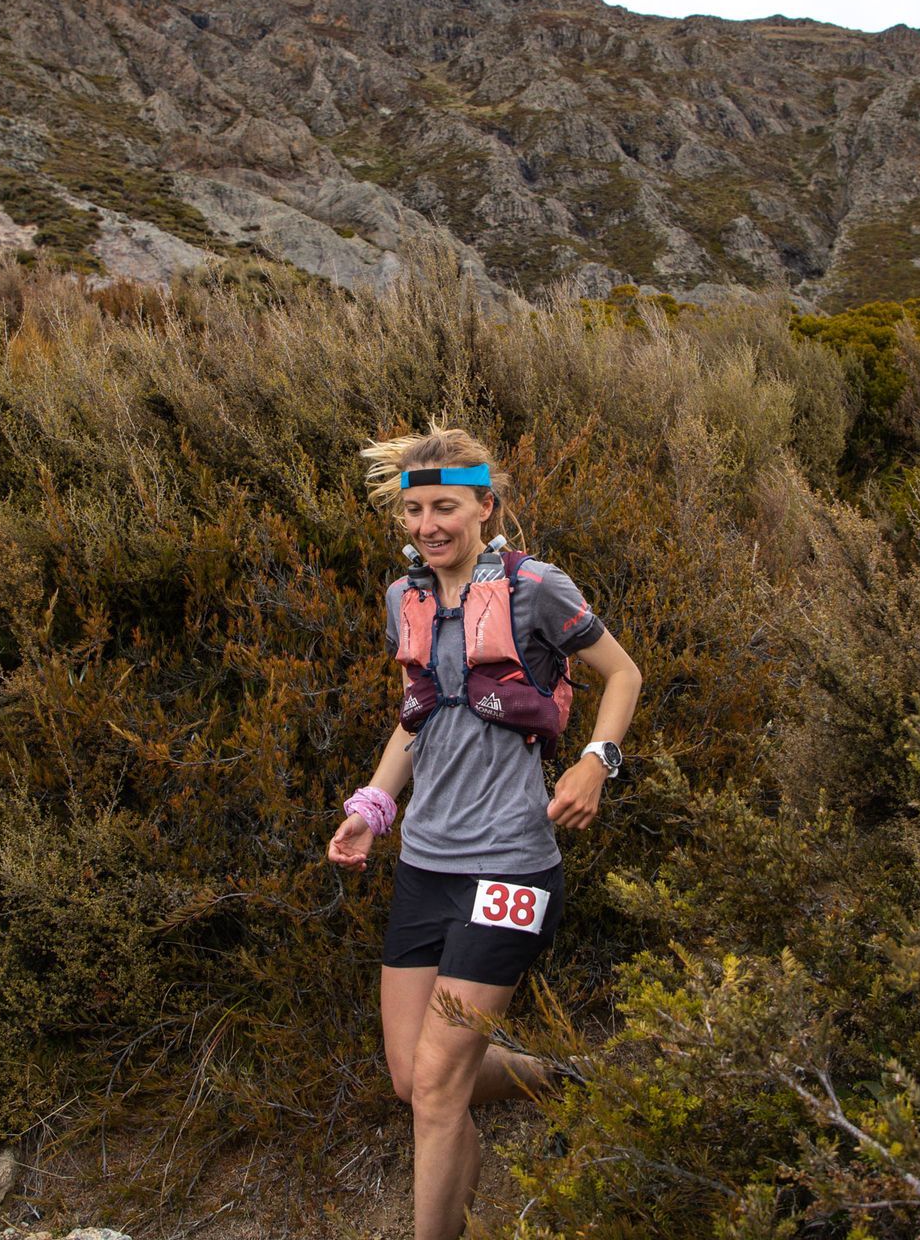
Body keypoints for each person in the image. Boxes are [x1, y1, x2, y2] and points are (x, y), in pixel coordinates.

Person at [326, 426, 643, 1240]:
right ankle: (558, 1077)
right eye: (415, 510)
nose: (428, 525)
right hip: (425, 867)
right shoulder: (404, 599)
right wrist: (373, 807)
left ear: (484, 507)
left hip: (510, 868)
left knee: (437, 1089)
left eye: (446, 507)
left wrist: (596, 762)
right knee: (413, 1079)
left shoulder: (536, 588)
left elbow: (624, 674)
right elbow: (418, 717)